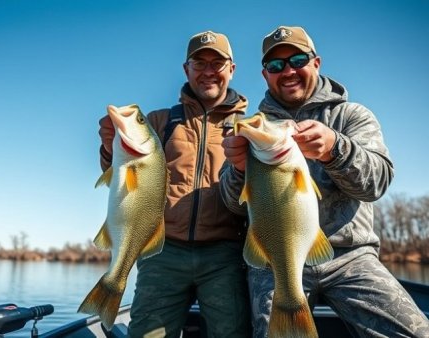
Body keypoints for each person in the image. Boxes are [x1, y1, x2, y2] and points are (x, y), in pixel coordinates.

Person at [219, 25, 429, 337]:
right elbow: (231, 204)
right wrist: (237, 170)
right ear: (266, 76)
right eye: (275, 66)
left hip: (351, 256)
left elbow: (378, 183)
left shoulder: (353, 116)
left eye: (297, 60)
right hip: (276, 261)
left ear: (316, 63)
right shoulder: (251, 128)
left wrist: (336, 148)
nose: (287, 71)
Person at [98, 30, 251, 337]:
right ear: (187, 70)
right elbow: (120, 176)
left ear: (231, 69)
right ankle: (109, 291)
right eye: (200, 63)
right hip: (162, 253)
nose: (208, 71)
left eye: (217, 64)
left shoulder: (250, 127)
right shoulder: (159, 120)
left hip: (225, 255)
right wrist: (108, 146)